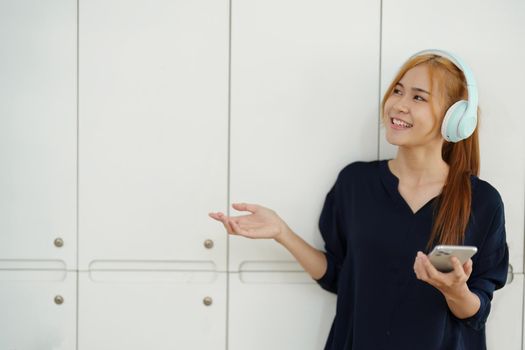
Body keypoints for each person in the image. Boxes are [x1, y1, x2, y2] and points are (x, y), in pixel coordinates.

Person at [208, 49, 509, 350]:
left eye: (418, 97)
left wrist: (456, 291)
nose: (399, 105)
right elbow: (339, 277)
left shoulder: (482, 202)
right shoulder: (355, 184)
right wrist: (282, 233)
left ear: (455, 117)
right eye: (398, 91)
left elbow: (476, 312)